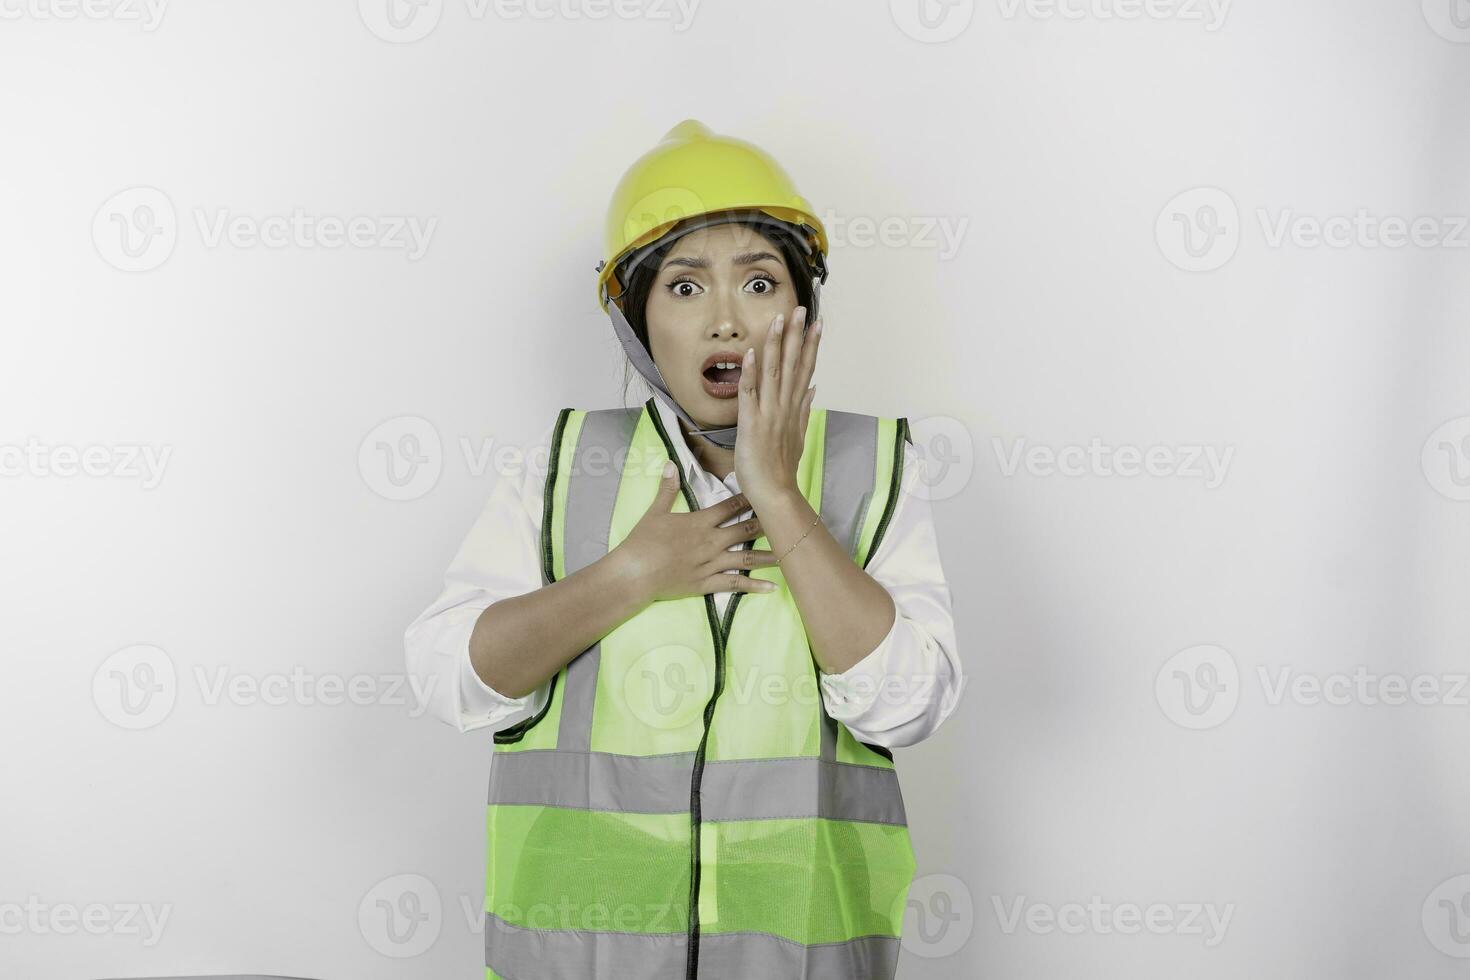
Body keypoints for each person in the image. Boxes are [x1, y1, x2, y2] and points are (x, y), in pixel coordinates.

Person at [404, 119, 963, 980]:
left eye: (760, 282)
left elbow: (908, 706)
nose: (727, 321)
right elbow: (449, 678)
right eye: (686, 288)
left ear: (802, 310)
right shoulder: (564, 466)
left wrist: (777, 494)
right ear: (638, 322)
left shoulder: (874, 465)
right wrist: (631, 574)